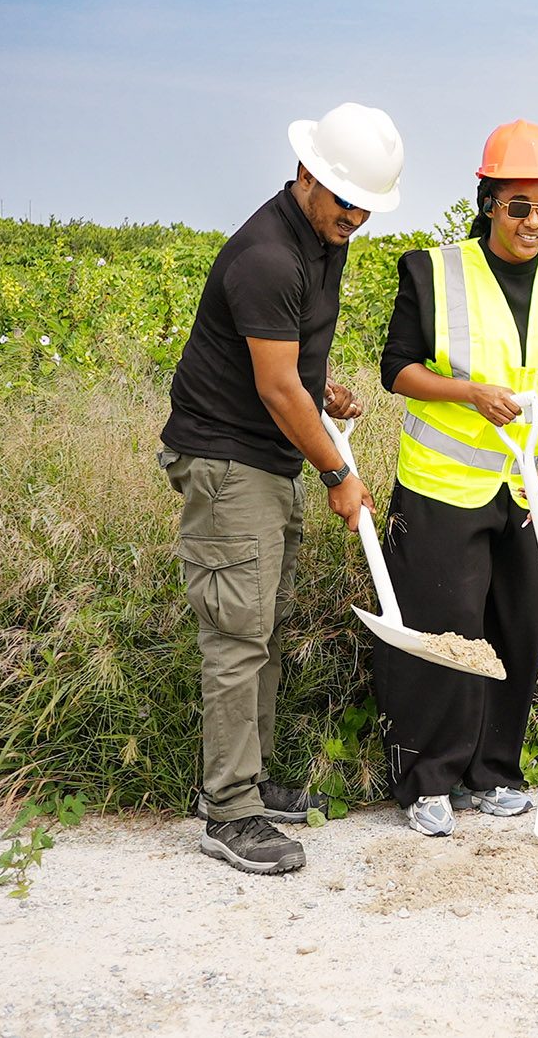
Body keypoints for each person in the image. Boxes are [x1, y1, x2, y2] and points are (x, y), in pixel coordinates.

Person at [159, 101, 403, 874]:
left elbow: (284, 361)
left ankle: (250, 785)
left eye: (366, 205)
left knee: (258, 627)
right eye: (344, 200)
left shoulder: (322, 238)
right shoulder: (268, 254)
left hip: (267, 459)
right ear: (306, 176)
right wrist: (338, 470)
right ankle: (228, 811)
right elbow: (270, 387)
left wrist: (320, 387)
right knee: (236, 637)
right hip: (229, 460)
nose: (355, 217)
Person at [376, 120, 538, 836]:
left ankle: (492, 772)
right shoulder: (431, 270)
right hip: (443, 486)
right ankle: (427, 779)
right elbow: (397, 371)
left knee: (519, 626)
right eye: (519, 207)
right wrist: (469, 393)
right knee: (448, 632)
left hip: (530, 491)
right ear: (488, 202)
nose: (535, 223)